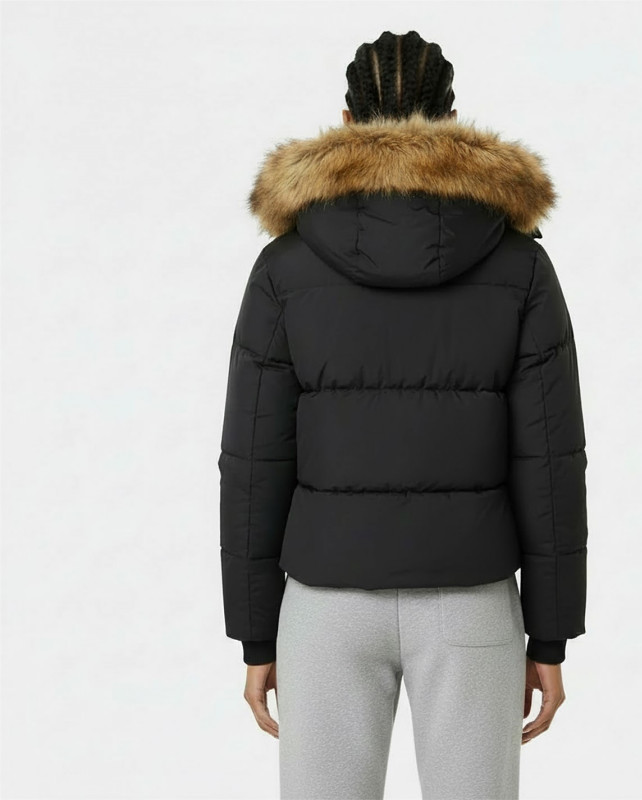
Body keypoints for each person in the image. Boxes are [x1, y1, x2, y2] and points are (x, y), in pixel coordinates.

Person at [217, 29, 588, 800]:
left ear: (347, 121)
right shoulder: (519, 264)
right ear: (450, 121)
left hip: (324, 602)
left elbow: (252, 463)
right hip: (471, 599)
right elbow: (552, 464)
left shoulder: (285, 266)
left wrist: (256, 634)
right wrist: (549, 635)